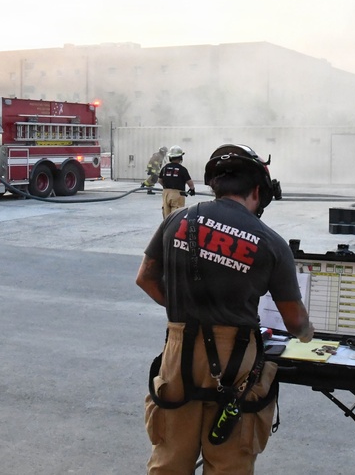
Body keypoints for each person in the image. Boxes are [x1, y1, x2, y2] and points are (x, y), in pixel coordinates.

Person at [136, 143, 314, 474]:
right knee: (229, 463)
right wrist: (308, 332)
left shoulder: (176, 220)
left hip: (179, 354)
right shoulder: (271, 242)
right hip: (239, 363)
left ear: (214, 183)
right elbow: (294, 321)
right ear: (258, 191)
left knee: (170, 462)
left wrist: (181, 308)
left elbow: (145, 279)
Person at [158, 145, 196, 217]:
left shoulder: (165, 168)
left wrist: (166, 187)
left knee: (167, 216)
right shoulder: (182, 169)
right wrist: (192, 189)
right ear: (180, 157)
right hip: (177, 194)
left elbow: (160, 180)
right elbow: (189, 182)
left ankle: (167, 228)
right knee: (176, 215)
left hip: (166, 193)